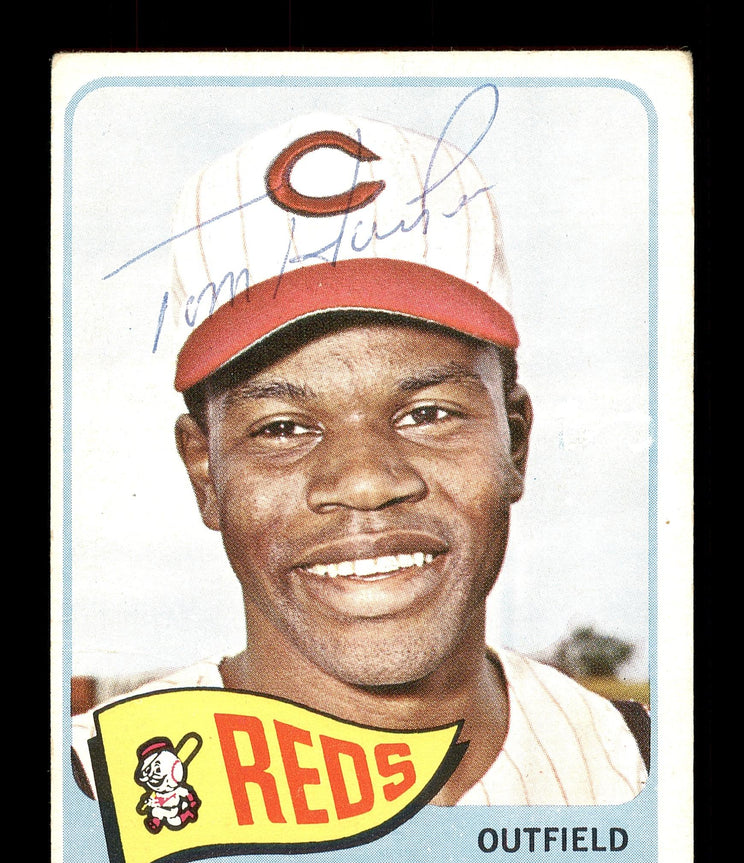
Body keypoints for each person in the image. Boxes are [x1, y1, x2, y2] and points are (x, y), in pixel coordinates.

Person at [72, 107, 649, 807]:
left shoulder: (647, 774)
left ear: (515, 441)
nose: (367, 481)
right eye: (283, 428)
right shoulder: (80, 801)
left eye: (428, 414)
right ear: (206, 474)